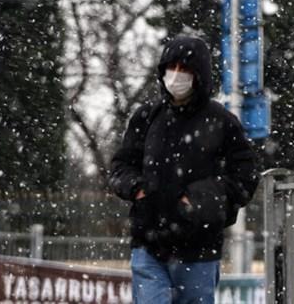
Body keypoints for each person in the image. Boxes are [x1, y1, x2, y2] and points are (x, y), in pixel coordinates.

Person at [109, 35, 259, 304]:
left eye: (185, 69)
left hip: (199, 248)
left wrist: (201, 200)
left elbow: (245, 178)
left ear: (199, 75)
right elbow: (121, 166)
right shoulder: (146, 117)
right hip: (149, 242)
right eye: (172, 67)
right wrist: (137, 189)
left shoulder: (223, 122)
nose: (176, 76)